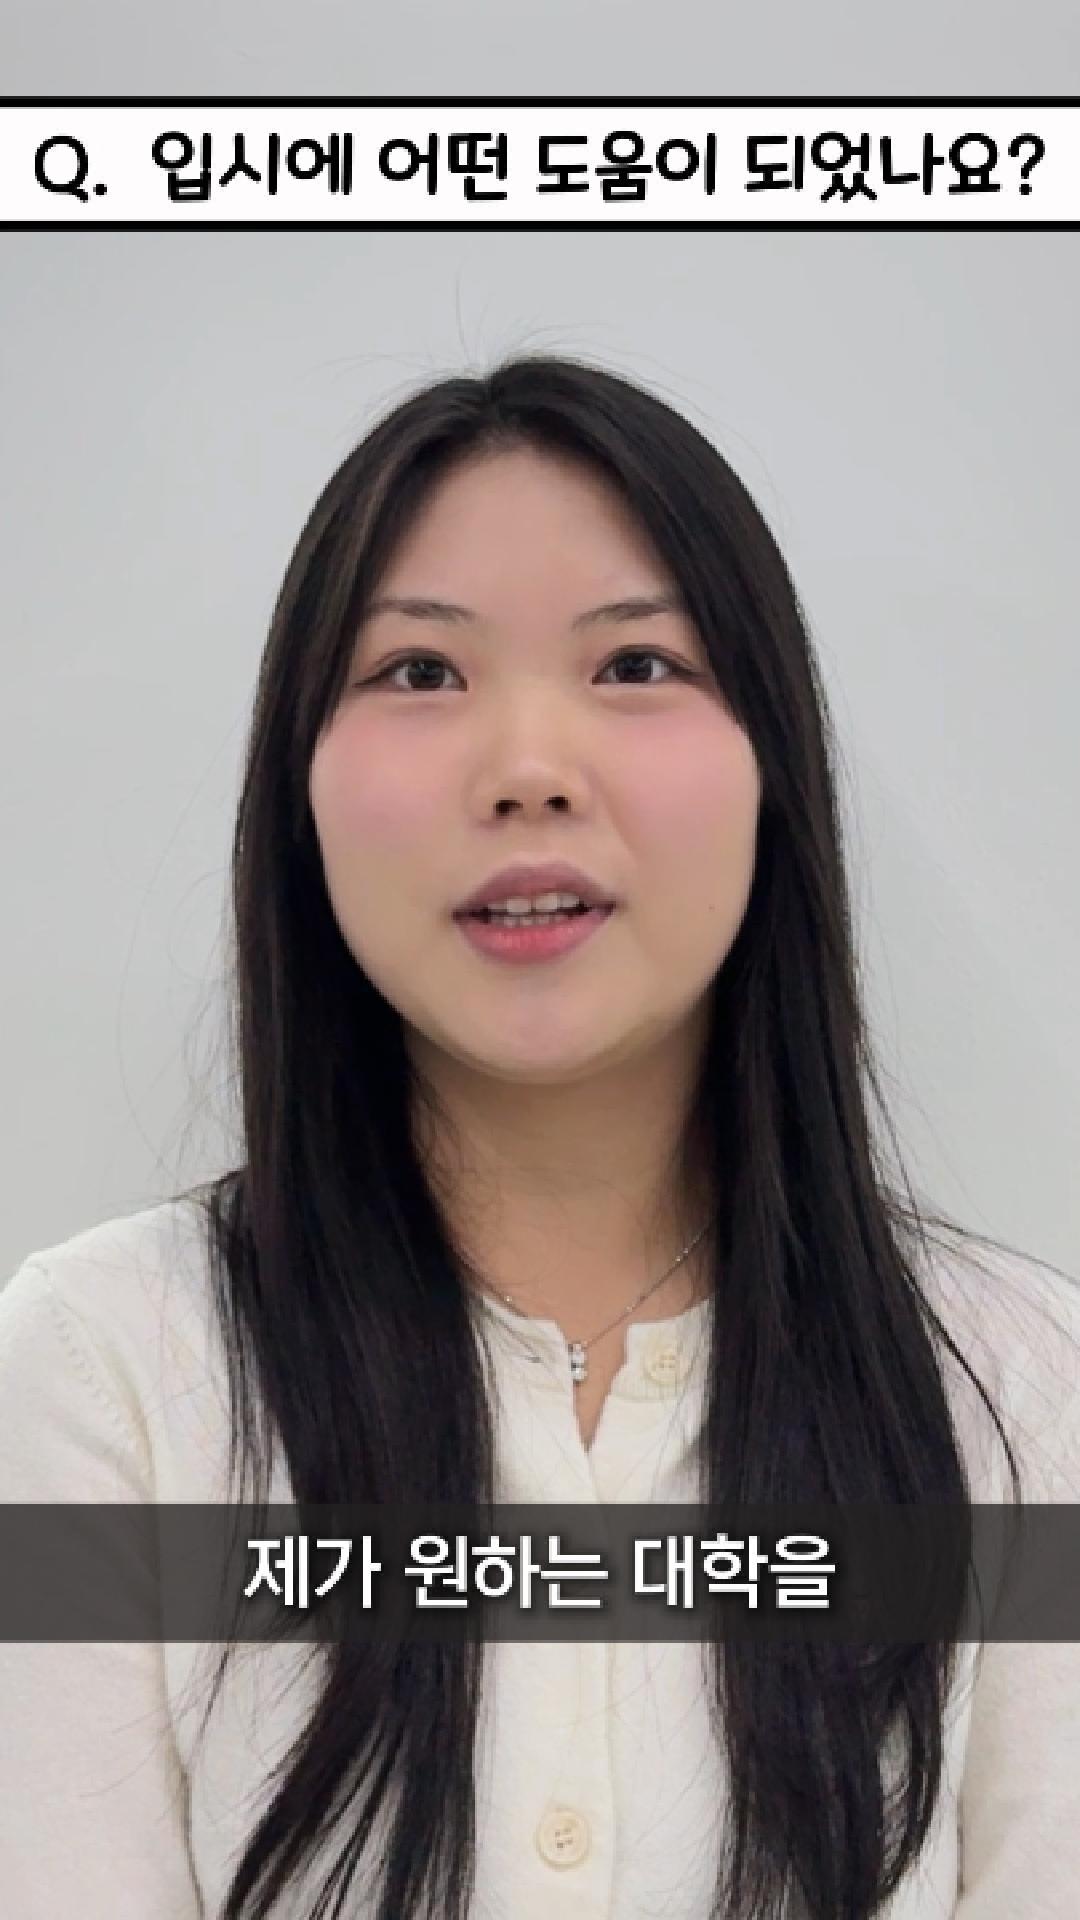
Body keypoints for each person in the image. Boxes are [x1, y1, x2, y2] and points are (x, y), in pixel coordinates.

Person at [1, 354, 1078, 1920]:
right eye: (418, 672)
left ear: (773, 766)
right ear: (299, 786)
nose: (525, 772)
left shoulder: (1026, 1399)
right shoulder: (103, 1371)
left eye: (636, 663)